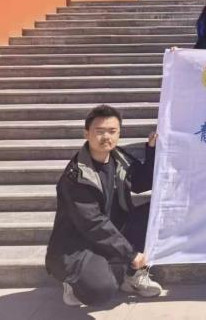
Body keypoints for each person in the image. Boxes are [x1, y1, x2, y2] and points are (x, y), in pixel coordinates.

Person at [45, 105, 161, 307]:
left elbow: (142, 182)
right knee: (102, 291)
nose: (106, 136)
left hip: (112, 230)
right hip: (78, 245)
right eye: (99, 131)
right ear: (86, 134)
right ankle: (73, 282)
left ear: (119, 134)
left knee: (156, 211)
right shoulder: (76, 176)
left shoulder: (119, 159)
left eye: (112, 131)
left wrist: (151, 150)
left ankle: (132, 276)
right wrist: (131, 254)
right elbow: (93, 224)